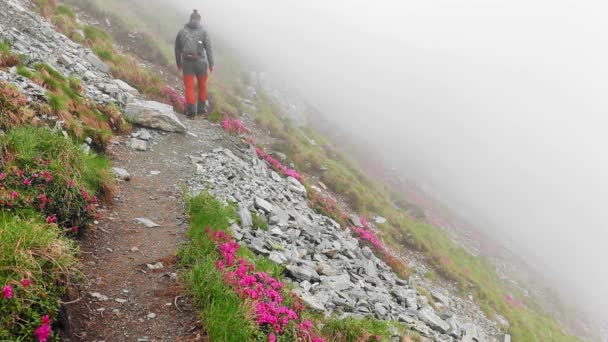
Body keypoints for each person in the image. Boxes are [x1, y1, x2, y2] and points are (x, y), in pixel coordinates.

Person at [175, 9, 214, 117]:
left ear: (190, 19)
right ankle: (201, 109)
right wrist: (211, 64)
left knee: (189, 87)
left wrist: (178, 64)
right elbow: (209, 49)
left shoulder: (182, 31)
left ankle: (191, 111)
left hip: (187, 64)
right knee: (202, 86)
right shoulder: (204, 32)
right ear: (199, 20)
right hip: (201, 63)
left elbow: (177, 49)